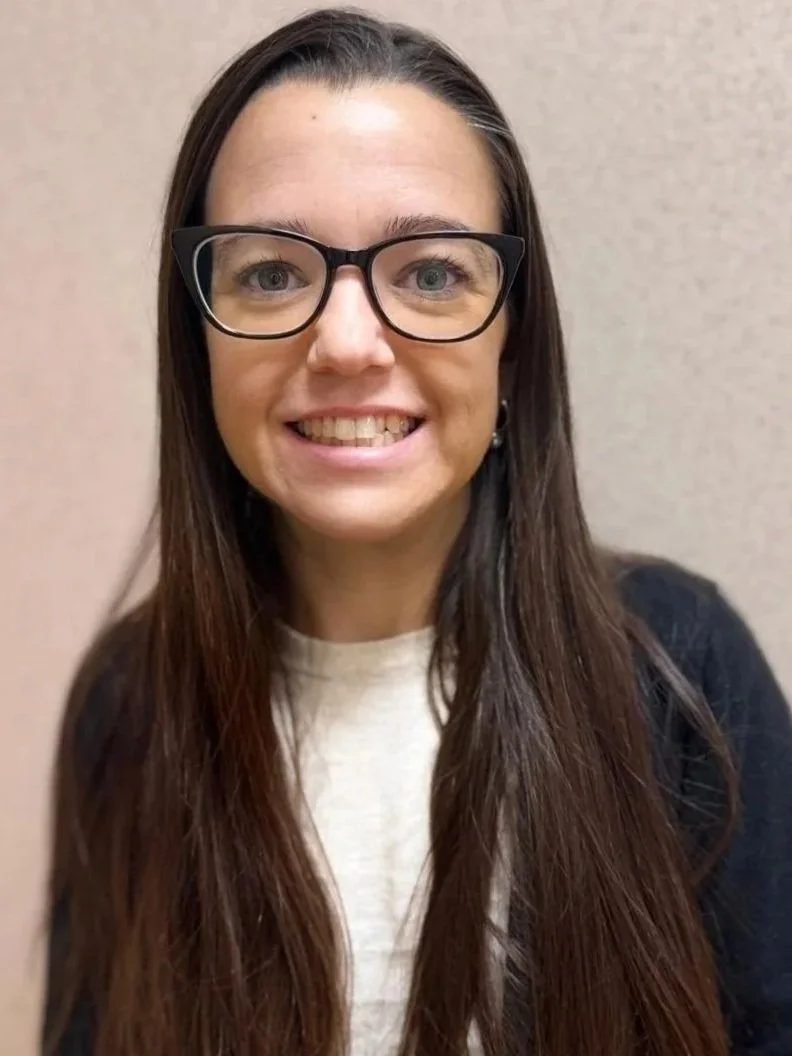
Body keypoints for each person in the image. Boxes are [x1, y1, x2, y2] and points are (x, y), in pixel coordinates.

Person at [42, 7, 792, 1056]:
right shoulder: (127, 709)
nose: (347, 342)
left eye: (432, 273)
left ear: (512, 340)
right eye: (271, 273)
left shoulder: (681, 672)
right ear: (198, 339)